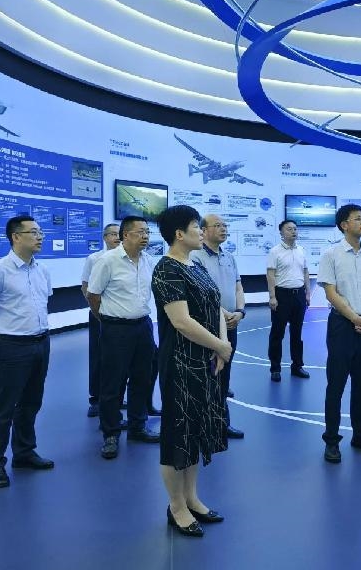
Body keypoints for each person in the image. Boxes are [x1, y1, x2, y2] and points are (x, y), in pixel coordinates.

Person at [152, 205, 233, 538]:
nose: (202, 231)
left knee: (196, 432)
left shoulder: (194, 264)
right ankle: (177, 507)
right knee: (178, 435)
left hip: (205, 361)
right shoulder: (167, 270)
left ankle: (192, 498)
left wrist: (221, 344)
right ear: (178, 234)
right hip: (181, 363)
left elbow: (215, 306)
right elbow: (182, 322)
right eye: (196, 227)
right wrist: (220, 347)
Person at [0, 215, 54, 488]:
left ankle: (24, 452)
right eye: (33, 232)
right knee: (4, 408)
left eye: (40, 232)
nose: (40, 237)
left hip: (41, 343)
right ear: (16, 237)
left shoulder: (42, 270)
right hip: (12, 347)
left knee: (31, 402)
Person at [317, 204, 361, 464]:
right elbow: (330, 293)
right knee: (336, 385)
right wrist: (355, 318)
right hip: (342, 327)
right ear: (344, 225)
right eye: (357, 219)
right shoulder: (331, 254)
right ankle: (332, 441)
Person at [87, 216, 160, 459]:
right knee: (112, 382)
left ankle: (138, 426)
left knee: (142, 378)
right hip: (115, 328)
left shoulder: (148, 260)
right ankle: (111, 433)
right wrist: (106, 320)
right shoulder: (107, 261)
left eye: (147, 232)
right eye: (140, 232)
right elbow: (93, 295)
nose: (146, 236)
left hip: (143, 326)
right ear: (126, 235)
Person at [190, 214, 245, 439]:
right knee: (207, 374)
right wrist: (223, 313)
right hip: (208, 325)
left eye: (225, 225)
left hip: (231, 324)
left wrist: (240, 312)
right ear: (203, 230)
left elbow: (238, 287)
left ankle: (221, 422)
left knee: (224, 375)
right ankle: (204, 424)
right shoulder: (195, 256)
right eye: (218, 225)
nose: (223, 229)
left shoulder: (229, 256)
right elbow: (202, 292)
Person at [81, 223, 120, 418]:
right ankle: (96, 399)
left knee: (120, 358)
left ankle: (116, 398)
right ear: (104, 237)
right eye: (112, 234)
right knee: (98, 356)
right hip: (100, 315)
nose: (117, 237)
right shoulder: (94, 259)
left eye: (119, 234)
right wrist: (97, 313)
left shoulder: (128, 258)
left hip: (120, 316)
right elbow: (86, 287)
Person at [266, 219, 310, 382]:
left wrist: (307, 293)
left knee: (297, 334)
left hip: (299, 295)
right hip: (281, 295)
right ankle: (275, 368)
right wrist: (272, 296)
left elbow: (305, 272)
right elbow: (270, 275)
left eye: (295, 229)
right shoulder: (275, 251)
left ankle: (297, 366)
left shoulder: (301, 250)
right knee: (277, 333)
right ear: (281, 233)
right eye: (289, 229)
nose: (293, 231)